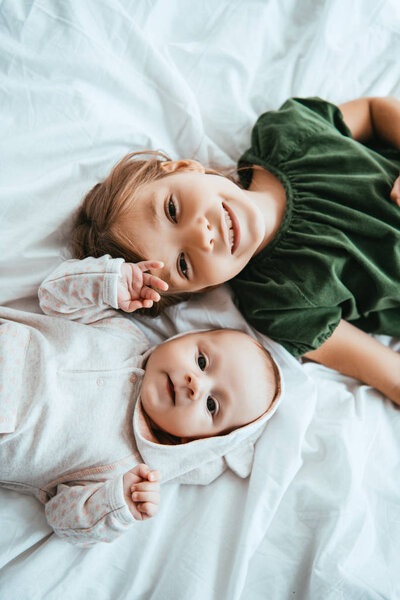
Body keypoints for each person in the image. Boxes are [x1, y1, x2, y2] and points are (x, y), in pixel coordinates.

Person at [71, 96, 400, 405]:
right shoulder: (278, 304)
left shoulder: (288, 138)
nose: (203, 237)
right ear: (204, 288)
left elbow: (373, 112)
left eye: (173, 210)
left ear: (185, 167)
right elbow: (391, 374)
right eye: (184, 264)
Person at [0, 255, 282, 546]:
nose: (195, 385)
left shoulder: (123, 469)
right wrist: (109, 282)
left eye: (211, 405)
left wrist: (115, 504)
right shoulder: (123, 333)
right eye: (201, 360)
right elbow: (53, 296)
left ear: (193, 442)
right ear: (183, 338)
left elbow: (60, 516)